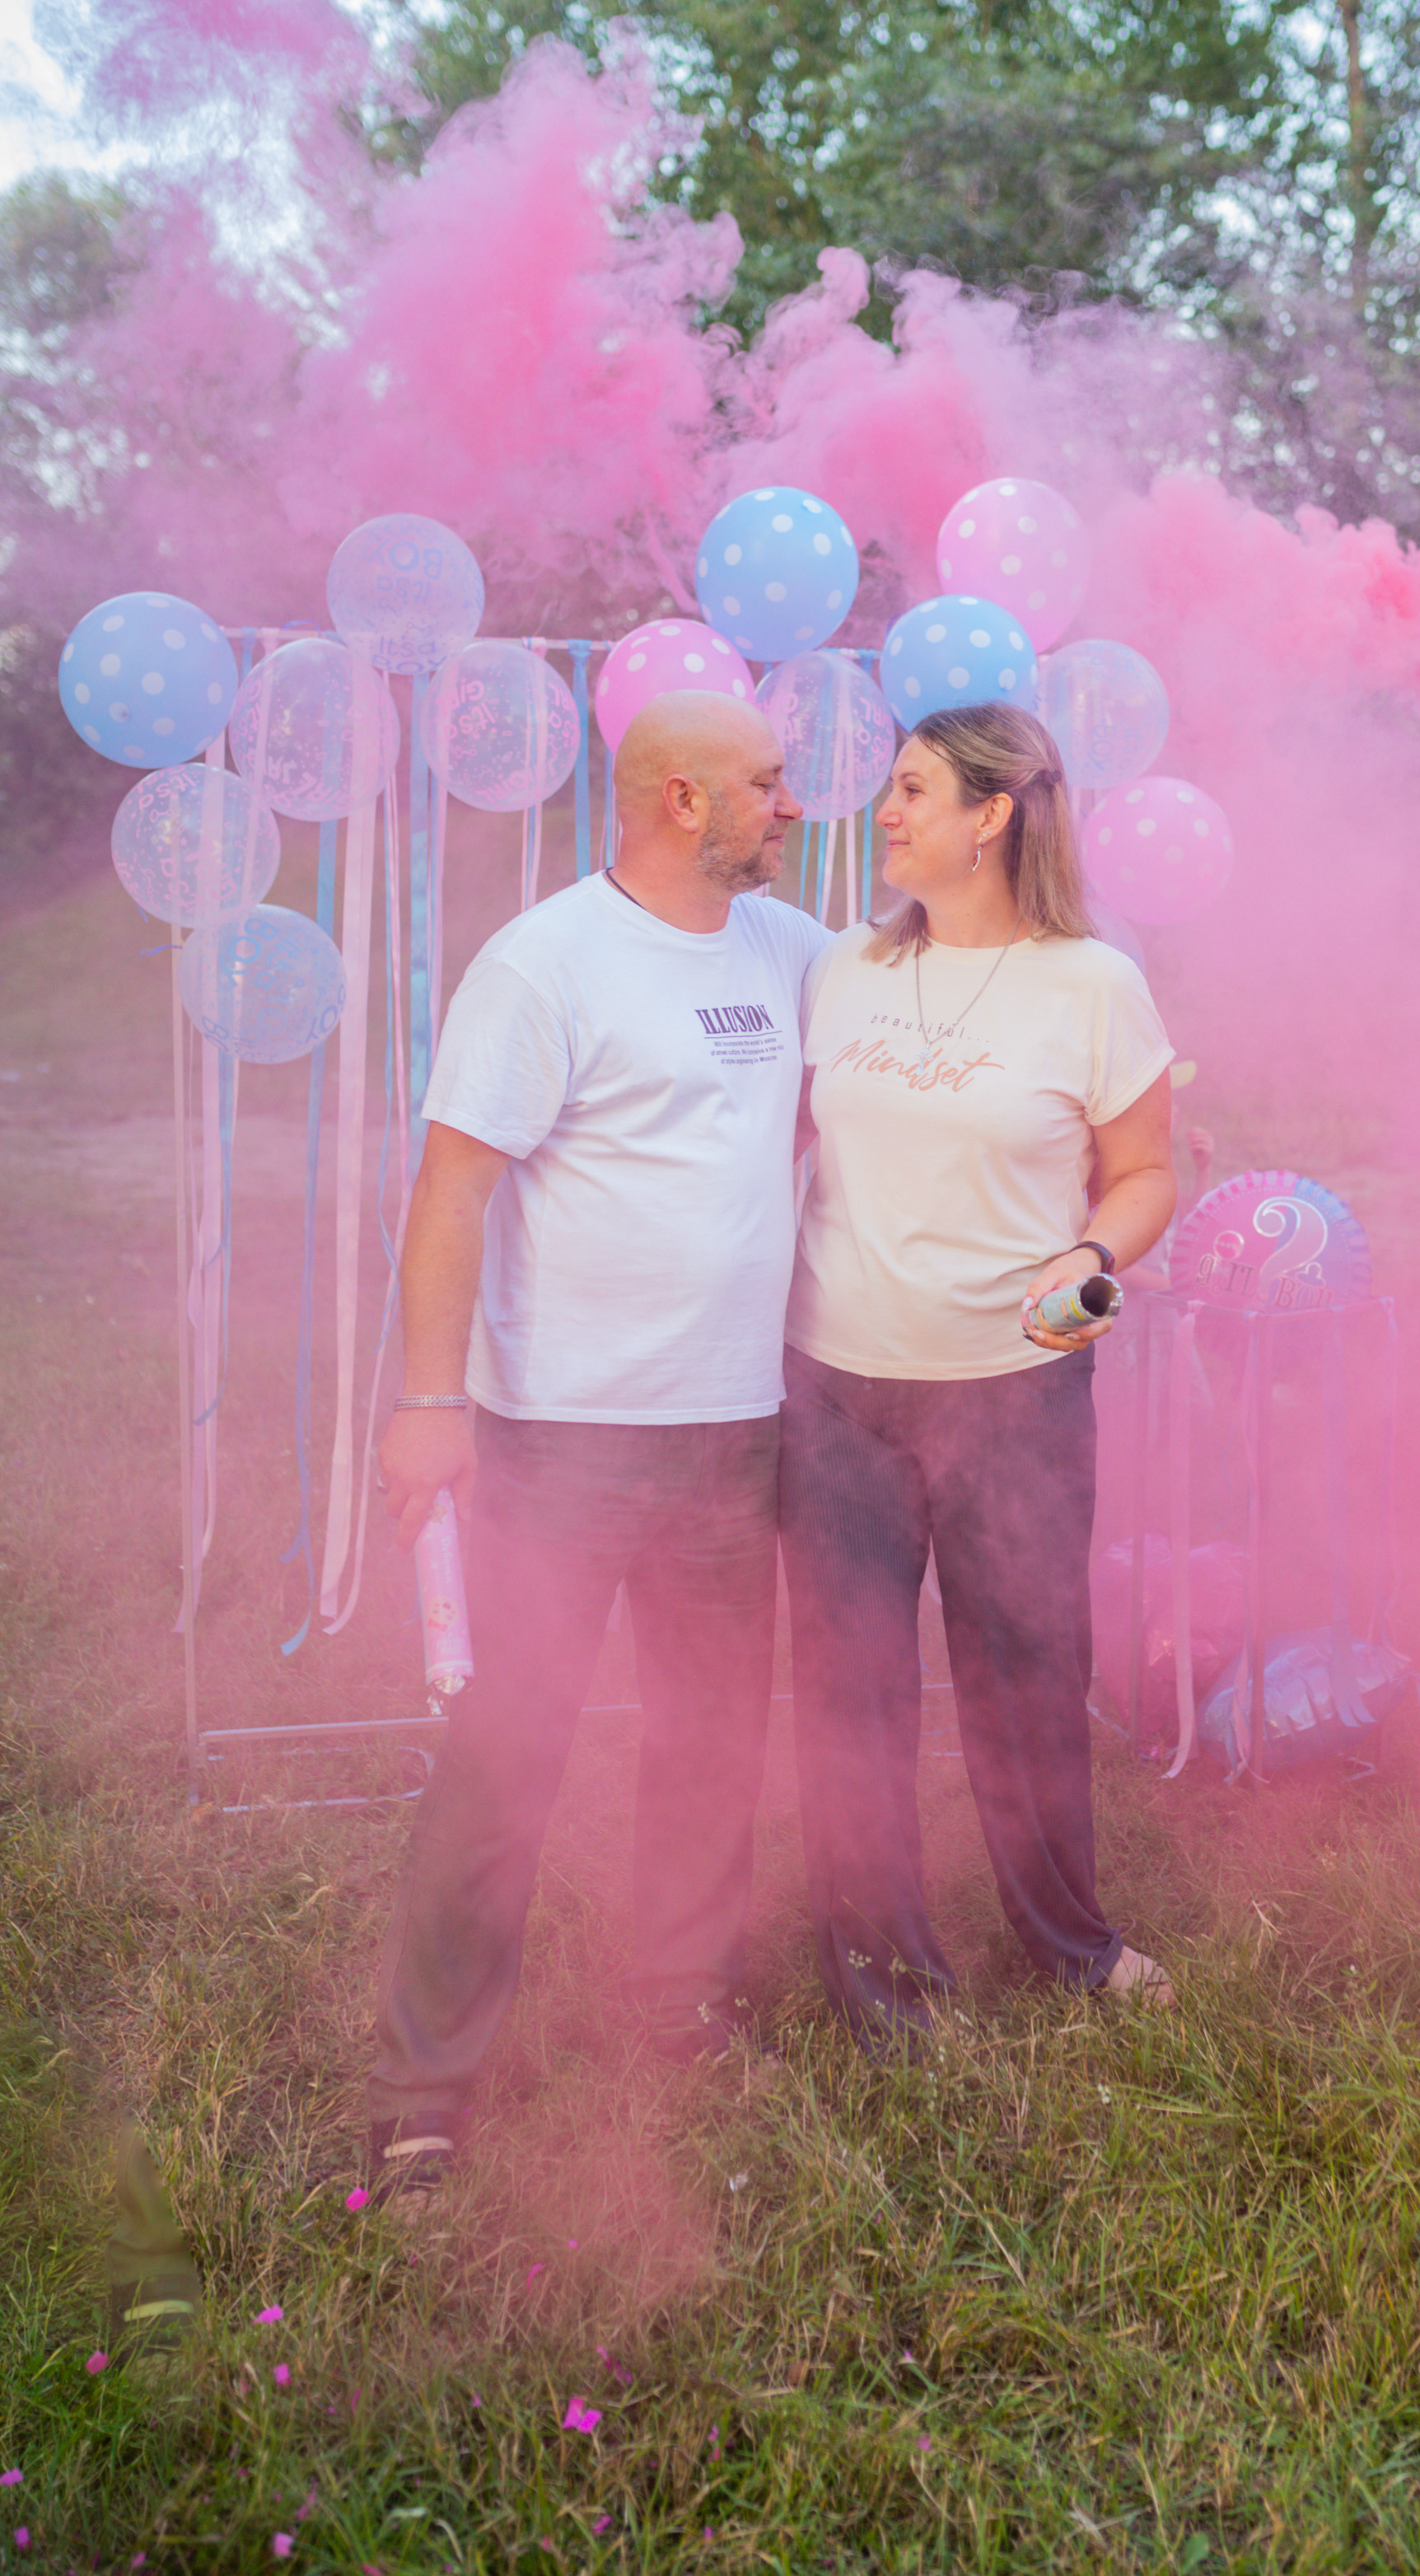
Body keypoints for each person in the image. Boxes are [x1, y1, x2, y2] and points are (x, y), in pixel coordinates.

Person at [366, 690, 824, 2204]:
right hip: (563, 1436)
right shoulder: (544, 962)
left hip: (733, 1428)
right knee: (510, 1757)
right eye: (767, 782)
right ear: (683, 799)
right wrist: (429, 1405)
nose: (793, 803)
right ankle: (426, 2090)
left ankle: (674, 2010)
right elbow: (451, 1192)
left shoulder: (788, 950)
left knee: (711, 1738)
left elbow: (917, 1045)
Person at [779, 701, 1179, 2045]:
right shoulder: (842, 968)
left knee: (1025, 1680)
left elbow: (1144, 1173)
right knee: (849, 1692)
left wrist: (1091, 1256)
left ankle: (1068, 1943)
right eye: (888, 789)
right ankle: (881, 1976)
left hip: (1012, 1395)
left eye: (911, 790)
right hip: (834, 1394)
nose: (884, 812)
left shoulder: (1091, 984)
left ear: (991, 815)